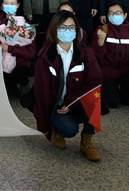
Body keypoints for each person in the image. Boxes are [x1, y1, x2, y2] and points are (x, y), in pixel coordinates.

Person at [32, 10, 103, 161]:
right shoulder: (45, 56)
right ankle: (56, 128)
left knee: (95, 99)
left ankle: (87, 139)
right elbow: (41, 93)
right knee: (69, 130)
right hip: (57, 107)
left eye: (71, 27)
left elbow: (94, 82)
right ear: (54, 29)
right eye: (62, 27)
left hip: (76, 102)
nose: (67, 31)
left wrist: (71, 102)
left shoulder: (86, 53)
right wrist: (43, 125)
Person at [93, 2, 129, 107]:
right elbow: (95, 57)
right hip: (108, 73)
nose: (114, 16)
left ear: (125, 15)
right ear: (107, 15)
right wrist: (100, 43)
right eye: (111, 13)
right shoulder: (102, 30)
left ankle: (126, 96)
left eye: (118, 13)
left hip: (126, 71)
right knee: (113, 103)